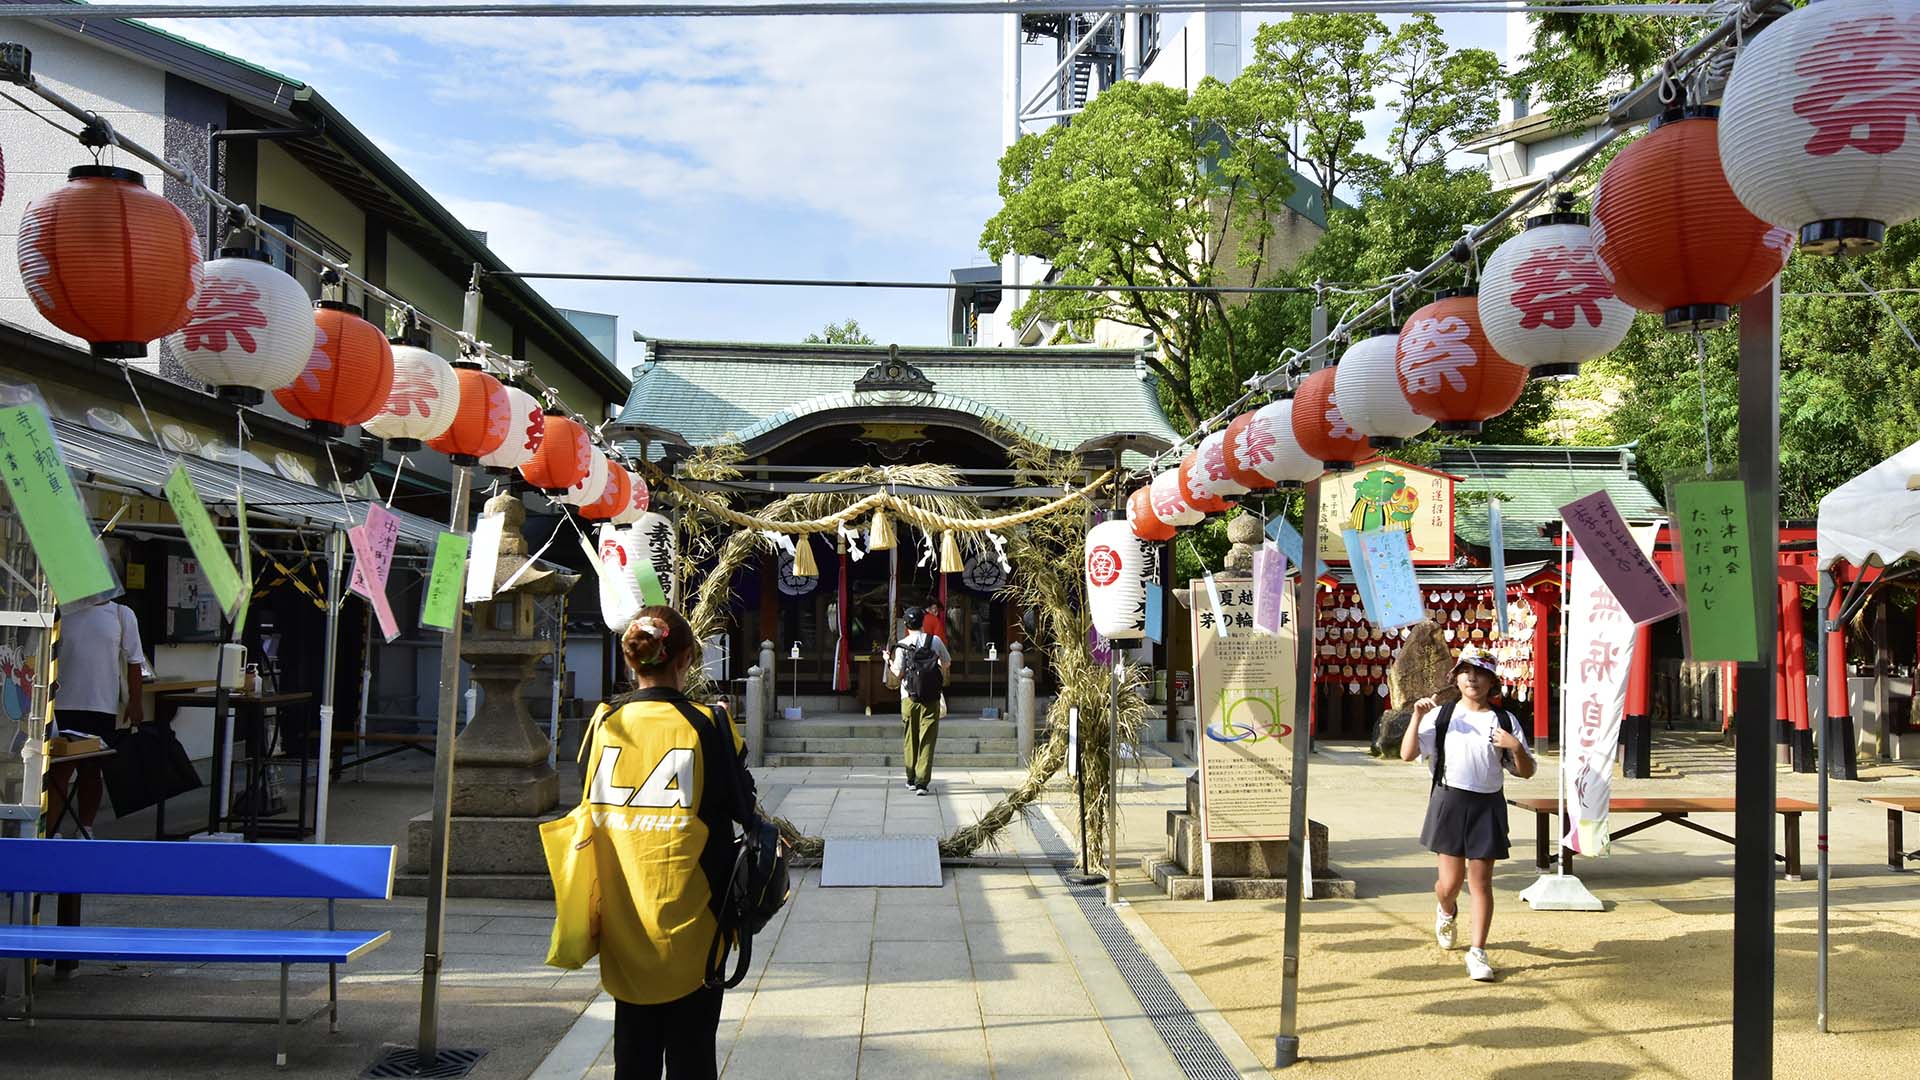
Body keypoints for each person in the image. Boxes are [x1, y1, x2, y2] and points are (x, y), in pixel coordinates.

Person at [586, 606, 756, 1080]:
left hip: (623, 915)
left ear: (630, 662)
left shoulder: (605, 724)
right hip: (692, 919)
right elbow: (744, 806)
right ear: (685, 659)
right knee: (693, 1057)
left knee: (632, 1059)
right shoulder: (705, 724)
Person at [1399, 646, 1536, 982]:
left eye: (1480, 673)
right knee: (1449, 883)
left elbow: (1526, 771)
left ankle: (1478, 951)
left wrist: (1515, 747)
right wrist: (1417, 716)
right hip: (1449, 800)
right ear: (1456, 678)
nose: (1472, 678)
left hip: (1488, 803)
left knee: (1481, 882)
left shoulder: (1504, 721)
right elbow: (1407, 754)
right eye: (1466, 671)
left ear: (1492, 682)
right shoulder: (1442, 716)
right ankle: (1446, 910)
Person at [46, 595, 145, 835]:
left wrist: (135, 701)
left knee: (91, 771)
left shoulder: (122, 614)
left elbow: (134, 661)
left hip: (101, 705)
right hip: (61, 705)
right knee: (59, 771)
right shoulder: (61, 611)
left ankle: (86, 828)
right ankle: (51, 831)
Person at [884, 605, 949, 796]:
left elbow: (898, 673)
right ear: (923, 621)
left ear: (906, 623)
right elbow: (947, 663)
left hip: (909, 697)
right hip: (931, 696)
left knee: (910, 738)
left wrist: (888, 660)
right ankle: (922, 783)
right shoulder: (935, 641)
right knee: (928, 739)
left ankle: (911, 779)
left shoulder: (903, 644)